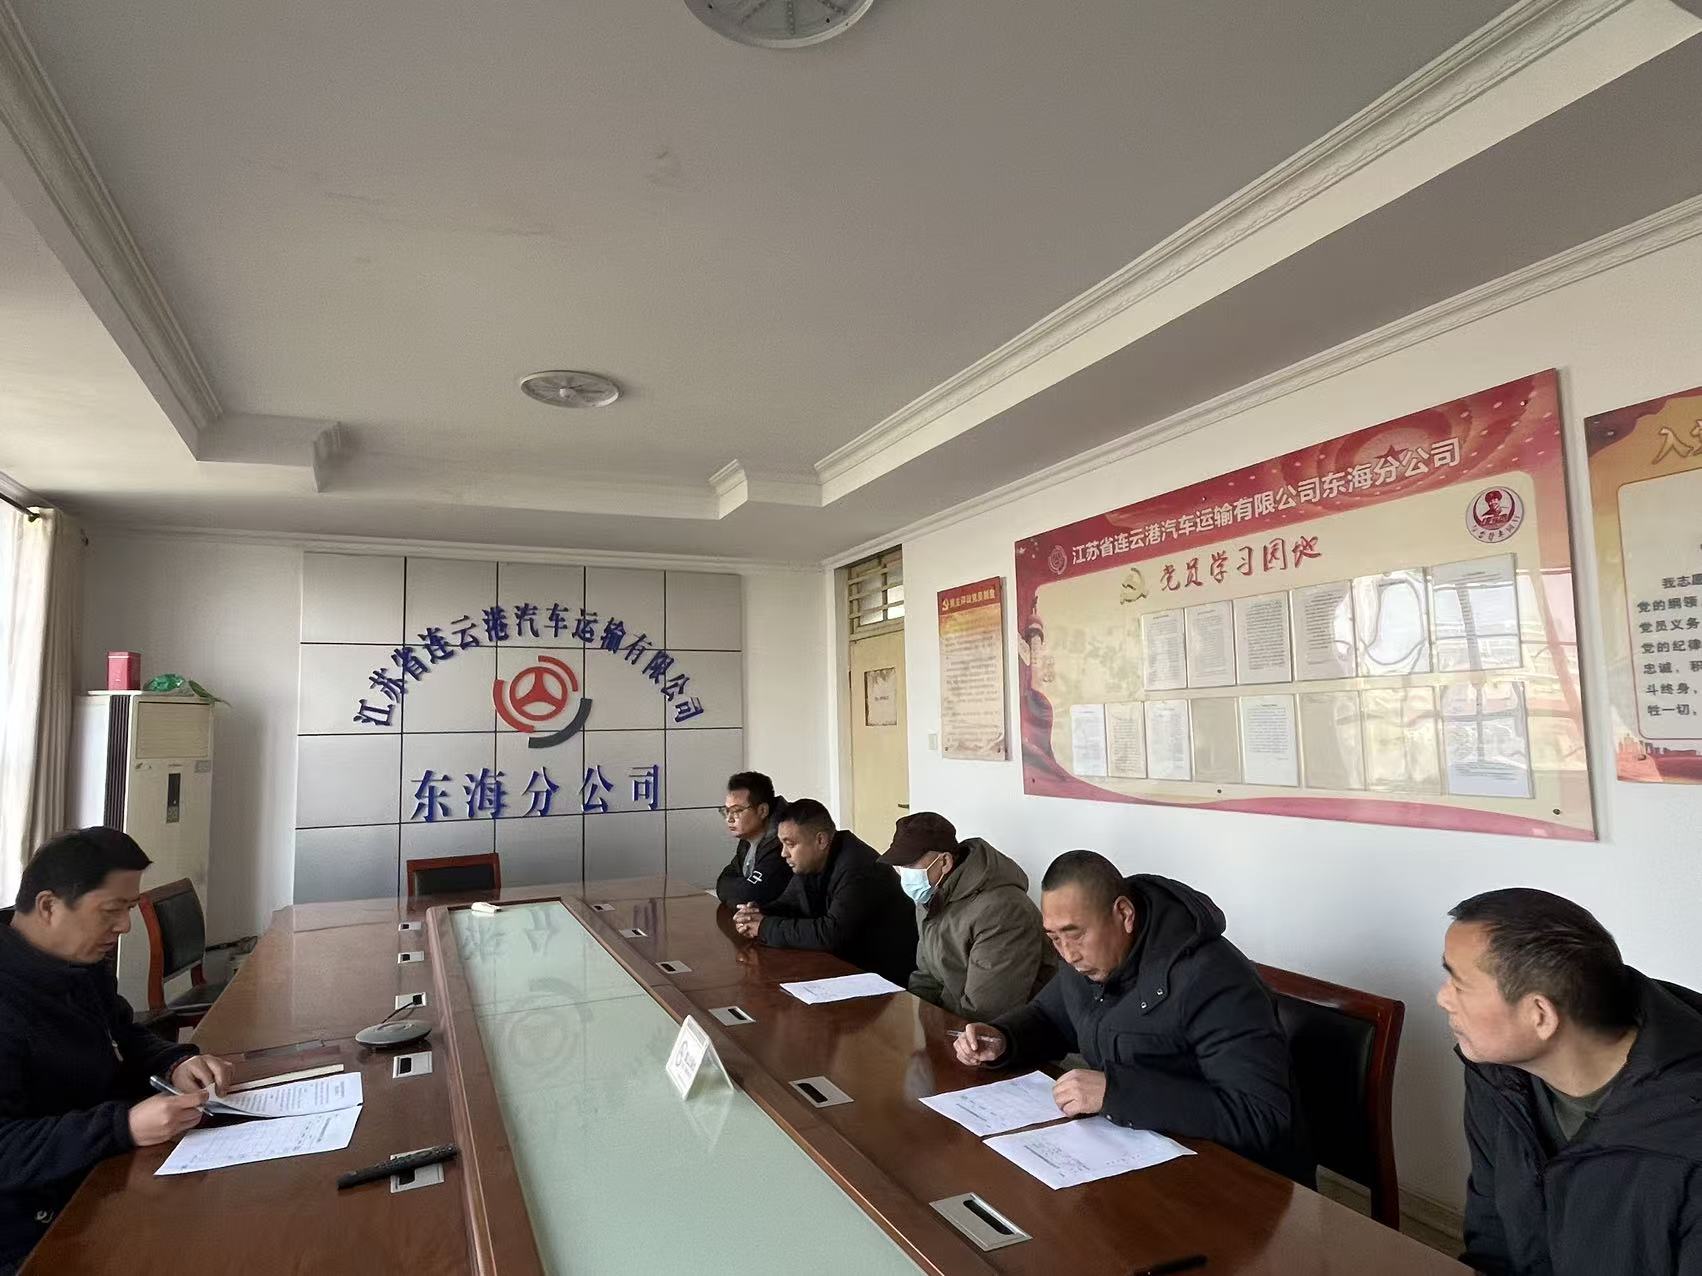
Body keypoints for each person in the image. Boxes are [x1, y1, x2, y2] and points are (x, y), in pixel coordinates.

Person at [953, 850, 1304, 1179]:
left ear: (1124, 914)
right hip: (1144, 1154)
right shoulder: (1090, 963)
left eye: (1075, 935)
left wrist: (1116, 1093)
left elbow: (1260, 1115)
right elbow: (1050, 1018)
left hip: (1239, 1180)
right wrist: (1004, 1038)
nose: (1069, 954)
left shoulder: (1212, 978)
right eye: (1055, 939)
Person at [0, 828, 234, 1274]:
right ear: (48, 906)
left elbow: (123, 1035)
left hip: (102, 1180)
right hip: (34, 1233)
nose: (125, 926)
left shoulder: (80, 964)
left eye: (130, 908)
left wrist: (175, 1062)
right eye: (112, 910)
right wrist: (122, 1126)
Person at [1439, 888, 1702, 1276]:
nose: (1443, 998)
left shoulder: (1688, 1141)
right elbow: (1491, 1240)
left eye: (1458, 984)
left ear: (1540, 1016)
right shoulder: (1498, 1077)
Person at [880, 811, 1054, 1021]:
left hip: (999, 1033)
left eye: (910, 866)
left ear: (945, 862)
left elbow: (987, 1012)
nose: (905, 875)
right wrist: (915, 1023)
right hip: (951, 1025)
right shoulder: (930, 896)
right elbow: (926, 977)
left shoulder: (1004, 912)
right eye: (900, 867)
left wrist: (936, 1032)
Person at [731, 799, 916, 986]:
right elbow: (790, 905)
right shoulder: (811, 863)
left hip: (887, 978)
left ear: (821, 840)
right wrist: (755, 914)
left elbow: (831, 934)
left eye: (790, 844)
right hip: (847, 968)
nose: (783, 853)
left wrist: (764, 927)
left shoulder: (858, 868)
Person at [713, 772, 791, 907]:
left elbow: (749, 895)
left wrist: (740, 890)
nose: (729, 819)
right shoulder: (749, 836)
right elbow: (723, 882)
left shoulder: (784, 842)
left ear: (762, 811)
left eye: (737, 811)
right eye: (727, 811)